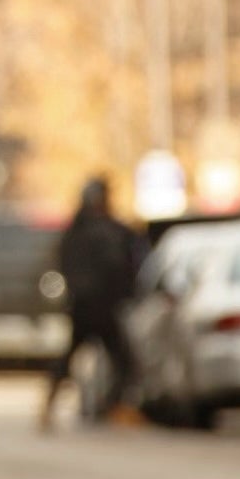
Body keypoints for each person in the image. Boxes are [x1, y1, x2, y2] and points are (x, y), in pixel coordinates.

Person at [45, 176, 142, 427]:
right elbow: (120, 264)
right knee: (121, 359)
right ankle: (114, 406)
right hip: (96, 305)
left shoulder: (78, 231)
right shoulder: (103, 231)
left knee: (110, 358)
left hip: (88, 304)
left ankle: (111, 406)